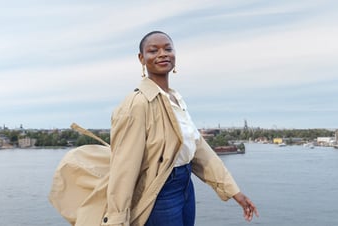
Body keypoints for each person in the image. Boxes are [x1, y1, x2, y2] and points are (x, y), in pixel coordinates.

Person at [101, 31, 258, 226]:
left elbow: (199, 151)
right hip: (160, 193)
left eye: (168, 49)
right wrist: (117, 220)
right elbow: (123, 167)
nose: (162, 54)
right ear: (141, 59)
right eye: (153, 50)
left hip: (185, 186)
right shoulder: (137, 104)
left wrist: (235, 193)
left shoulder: (175, 99)